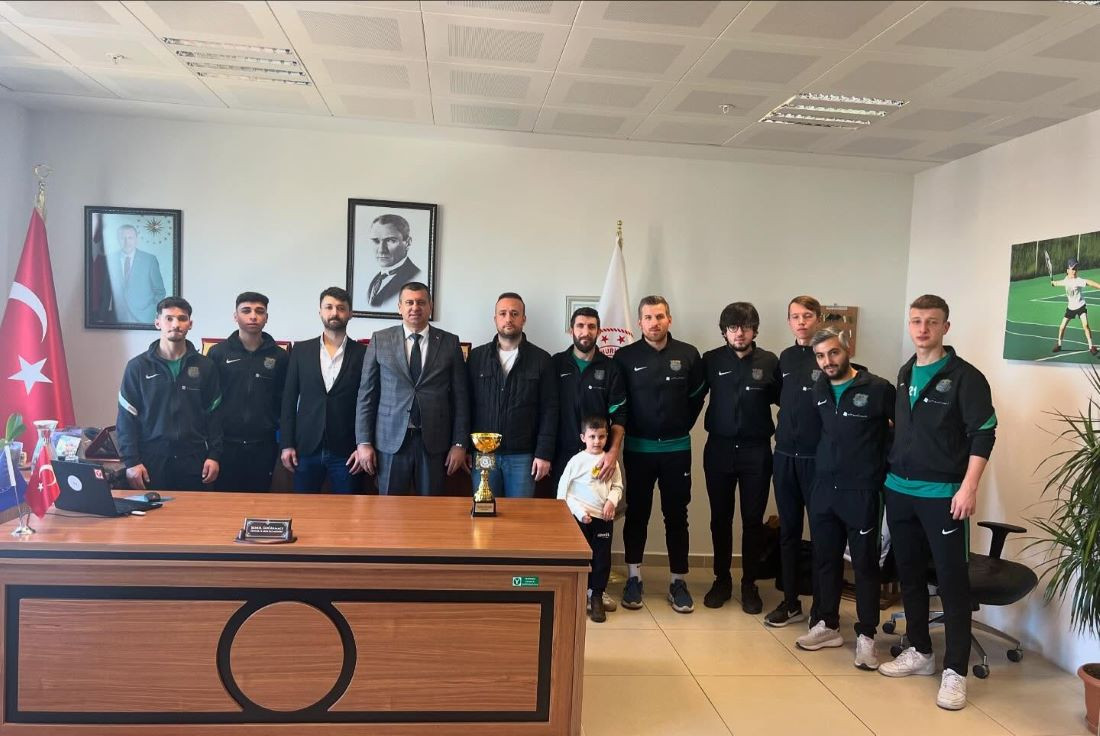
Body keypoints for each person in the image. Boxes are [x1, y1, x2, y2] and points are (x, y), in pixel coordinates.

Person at [878, 294, 996, 712]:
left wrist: (969, 487)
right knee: (909, 576)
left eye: (931, 321)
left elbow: (984, 434)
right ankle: (921, 651)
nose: (923, 328)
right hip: (899, 492)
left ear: (946, 327)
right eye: (916, 321)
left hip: (943, 496)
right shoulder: (905, 371)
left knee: (951, 582)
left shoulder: (966, 377)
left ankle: (955, 671)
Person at [796, 328, 895, 672]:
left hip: (862, 491)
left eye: (833, 353)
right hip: (824, 489)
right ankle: (827, 624)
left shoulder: (878, 388)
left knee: (865, 565)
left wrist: (881, 469)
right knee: (825, 559)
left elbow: (901, 433)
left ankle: (867, 636)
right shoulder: (820, 388)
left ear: (847, 348)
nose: (828, 361)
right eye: (820, 356)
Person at [614, 296, 705, 614]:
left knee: (677, 515)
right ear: (639, 322)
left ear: (669, 319)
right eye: (648, 317)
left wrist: (679, 426)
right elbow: (619, 402)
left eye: (660, 316)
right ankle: (634, 578)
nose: (654, 322)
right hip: (638, 448)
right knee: (637, 514)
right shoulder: (625, 357)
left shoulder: (688, 354)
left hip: (676, 449)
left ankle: (678, 582)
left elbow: (696, 398)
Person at [699, 302, 780, 610]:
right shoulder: (711, 360)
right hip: (718, 449)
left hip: (755, 451)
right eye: (733, 327)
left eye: (745, 327)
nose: (739, 333)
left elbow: (788, 403)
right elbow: (692, 397)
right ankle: (722, 580)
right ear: (724, 331)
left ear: (755, 330)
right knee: (720, 518)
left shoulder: (770, 362)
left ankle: (749, 584)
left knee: (752, 520)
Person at [355, 282, 469, 494]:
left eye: (421, 302)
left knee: (430, 508)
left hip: (435, 443)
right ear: (400, 307)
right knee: (389, 509)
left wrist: (459, 444)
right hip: (389, 441)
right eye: (409, 302)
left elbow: (461, 399)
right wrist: (363, 442)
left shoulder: (450, 343)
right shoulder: (380, 339)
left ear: (430, 306)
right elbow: (366, 395)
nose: (415, 307)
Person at [552, 306, 628, 614]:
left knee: (600, 531)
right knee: (565, 525)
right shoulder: (556, 364)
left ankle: (597, 589)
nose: (585, 332)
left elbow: (620, 416)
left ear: (599, 331)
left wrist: (612, 452)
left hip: (600, 459)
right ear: (571, 329)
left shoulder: (611, 368)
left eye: (591, 326)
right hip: (562, 457)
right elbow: (545, 410)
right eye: (580, 326)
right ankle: (569, 588)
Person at [116, 296, 222, 491]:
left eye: (182, 318)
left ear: (190, 324)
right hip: (150, 462)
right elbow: (126, 418)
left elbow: (214, 416)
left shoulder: (206, 366)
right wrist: (131, 462)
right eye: (169, 318)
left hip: (195, 461)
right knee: (154, 512)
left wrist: (214, 456)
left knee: (196, 511)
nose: (176, 324)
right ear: (158, 323)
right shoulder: (137, 367)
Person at [767, 295, 824, 624]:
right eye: (795, 316)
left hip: (817, 460)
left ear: (818, 318)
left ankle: (821, 609)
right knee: (788, 531)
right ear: (789, 322)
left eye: (807, 316)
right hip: (785, 455)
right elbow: (781, 399)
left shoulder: (829, 356)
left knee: (821, 534)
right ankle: (790, 601)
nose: (801, 322)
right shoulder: (785, 358)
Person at [466, 292, 557, 498]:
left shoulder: (542, 360)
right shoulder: (477, 358)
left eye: (514, 314)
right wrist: (464, 447)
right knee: (484, 512)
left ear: (523, 319)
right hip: (483, 454)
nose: (508, 318)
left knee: (520, 515)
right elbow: (465, 405)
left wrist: (544, 453)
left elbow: (550, 410)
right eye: (503, 313)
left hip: (522, 456)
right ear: (495, 318)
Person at [280, 287, 367, 493]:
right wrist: (287, 444)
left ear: (350, 313)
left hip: (347, 451)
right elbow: (289, 401)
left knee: (348, 510)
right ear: (320, 311)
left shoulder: (364, 353)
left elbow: (369, 403)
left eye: (341, 308)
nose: (334, 312)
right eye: (329, 307)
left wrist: (363, 445)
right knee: (304, 509)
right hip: (305, 448)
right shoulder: (301, 350)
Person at [209, 292, 289, 492]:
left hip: (263, 446)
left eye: (259, 311)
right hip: (225, 445)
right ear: (235, 316)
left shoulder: (280, 357)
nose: (253, 316)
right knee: (224, 503)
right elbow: (210, 402)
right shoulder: (218, 353)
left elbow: (284, 402)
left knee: (258, 502)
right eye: (246, 311)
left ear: (266, 318)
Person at [556, 415, 624, 623]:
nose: (597, 441)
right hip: (581, 520)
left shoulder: (611, 462)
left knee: (601, 558)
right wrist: (578, 512)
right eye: (592, 436)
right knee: (580, 558)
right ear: (583, 437)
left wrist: (611, 502)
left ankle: (596, 596)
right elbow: (563, 492)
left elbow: (617, 487)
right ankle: (578, 595)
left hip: (603, 519)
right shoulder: (576, 461)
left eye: (601, 437)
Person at [105, 224, 167, 324]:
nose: (127, 242)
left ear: (136, 239)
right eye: (123, 238)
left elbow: (160, 292)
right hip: (115, 319)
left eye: (130, 238)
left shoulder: (149, 260)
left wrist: (150, 312)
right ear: (117, 239)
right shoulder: (109, 259)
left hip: (143, 319)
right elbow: (104, 291)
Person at [363, 214, 422, 312]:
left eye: (390, 241)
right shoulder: (376, 279)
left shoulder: (415, 277)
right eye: (376, 241)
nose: (381, 250)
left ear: (408, 243)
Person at [1051, 257, 1100, 355]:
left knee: (1085, 325)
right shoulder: (1066, 280)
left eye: (1076, 269)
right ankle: (1059, 345)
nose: (1074, 271)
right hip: (1071, 308)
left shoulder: (1078, 280)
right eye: (1072, 269)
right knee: (1062, 327)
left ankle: (1091, 347)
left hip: (1081, 306)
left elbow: (1089, 282)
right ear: (1067, 270)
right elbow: (1059, 283)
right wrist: (1054, 283)